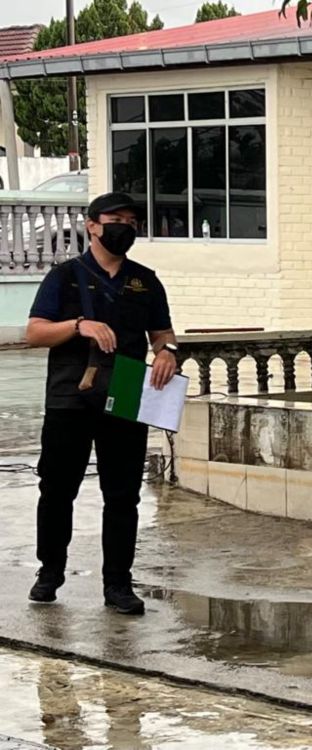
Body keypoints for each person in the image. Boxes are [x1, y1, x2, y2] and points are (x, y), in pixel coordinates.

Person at [25, 192, 178, 616]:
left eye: (131, 220)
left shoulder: (145, 281)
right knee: (57, 489)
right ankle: (49, 571)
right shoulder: (64, 277)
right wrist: (78, 325)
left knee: (123, 493)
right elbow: (34, 333)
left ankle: (118, 584)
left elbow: (163, 334)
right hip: (69, 394)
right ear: (92, 224)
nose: (124, 226)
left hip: (127, 388)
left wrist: (167, 352)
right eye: (116, 218)